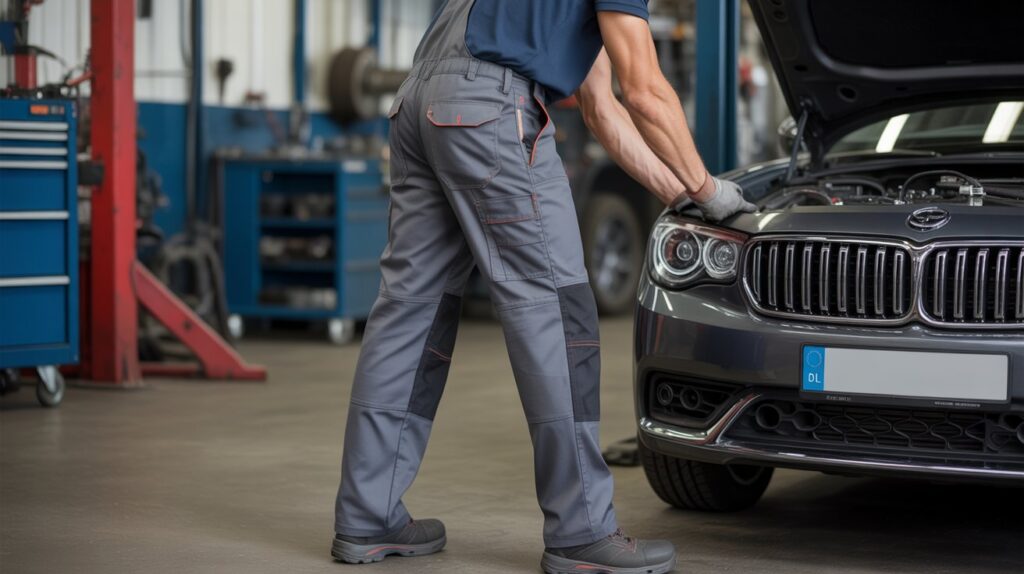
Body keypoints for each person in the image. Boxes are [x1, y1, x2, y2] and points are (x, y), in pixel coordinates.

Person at [331, 1, 756, 573]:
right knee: (559, 316)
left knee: (409, 312)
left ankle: (367, 515)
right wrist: (710, 190)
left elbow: (602, 108)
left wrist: (679, 192)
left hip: (417, 105)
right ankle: (582, 531)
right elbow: (644, 89)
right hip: (489, 110)